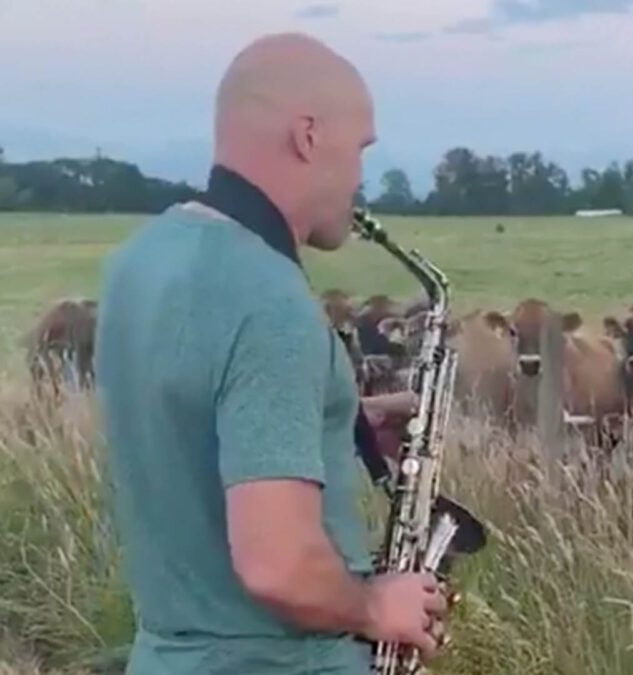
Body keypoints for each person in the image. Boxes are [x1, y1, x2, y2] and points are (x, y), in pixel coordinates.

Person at [93, 33, 448, 674]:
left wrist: (334, 420)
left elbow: (193, 417)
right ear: (308, 136)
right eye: (360, 148)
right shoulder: (269, 299)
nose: (360, 176)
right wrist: (375, 608)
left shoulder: (139, 263)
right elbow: (278, 564)